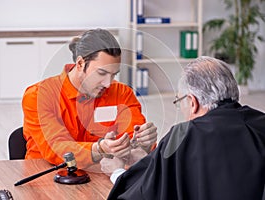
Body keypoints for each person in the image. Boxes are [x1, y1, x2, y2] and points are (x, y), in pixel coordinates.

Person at [101, 56, 265, 199]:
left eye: (180, 101)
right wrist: (145, 160)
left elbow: (148, 194)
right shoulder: (260, 122)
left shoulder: (183, 135)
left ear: (193, 103)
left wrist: (117, 172)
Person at [22, 28, 157, 169]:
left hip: (103, 179)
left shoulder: (122, 93)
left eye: (113, 74)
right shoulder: (39, 96)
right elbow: (56, 147)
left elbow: (132, 139)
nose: (108, 83)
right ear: (80, 64)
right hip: (48, 178)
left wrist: (143, 144)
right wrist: (100, 149)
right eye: (101, 73)